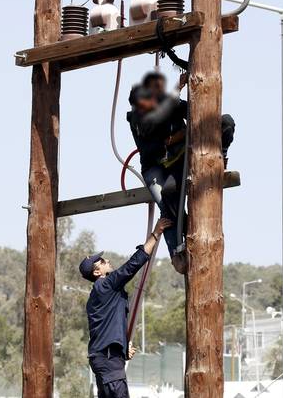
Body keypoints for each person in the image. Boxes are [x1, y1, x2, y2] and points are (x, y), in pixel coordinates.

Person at [127, 71, 235, 274]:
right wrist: (183, 132)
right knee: (168, 207)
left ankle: (221, 157)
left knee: (225, 122)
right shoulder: (137, 119)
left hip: (178, 161)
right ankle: (177, 252)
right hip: (156, 168)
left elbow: (196, 116)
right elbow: (156, 143)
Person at [79, 218, 173, 398]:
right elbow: (131, 266)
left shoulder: (97, 295)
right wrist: (156, 233)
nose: (107, 260)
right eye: (101, 261)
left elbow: (107, 328)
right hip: (108, 360)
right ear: (97, 272)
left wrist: (121, 351)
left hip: (106, 358)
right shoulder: (105, 285)